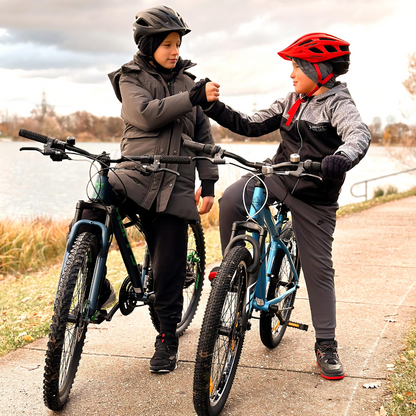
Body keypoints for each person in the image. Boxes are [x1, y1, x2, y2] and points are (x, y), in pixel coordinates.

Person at [196, 33, 371, 379]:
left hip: (315, 196)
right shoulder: (292, 100)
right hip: (278, 176)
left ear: (318, 69)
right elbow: (250, 124)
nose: (291, 74)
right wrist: (212, 107)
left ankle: (326, 344)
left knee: (318, 268)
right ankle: (236, 270)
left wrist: (341, 158)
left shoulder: (339, 104)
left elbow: (358, 135)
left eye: (297, 67)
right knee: (233, 197)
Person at [97, 5, 218, 373]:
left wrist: (208, 181)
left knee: (168, 265)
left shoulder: (188, 83)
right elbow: (147, 114)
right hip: (134, 174)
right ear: (148, 45)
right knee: (95, 201)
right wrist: (193, 97)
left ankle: (167, 337)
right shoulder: (129, 77)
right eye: (166, 44)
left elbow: (202, 135)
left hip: (176, 182)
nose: (174, 51)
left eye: (177, 44)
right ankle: (92, 278)